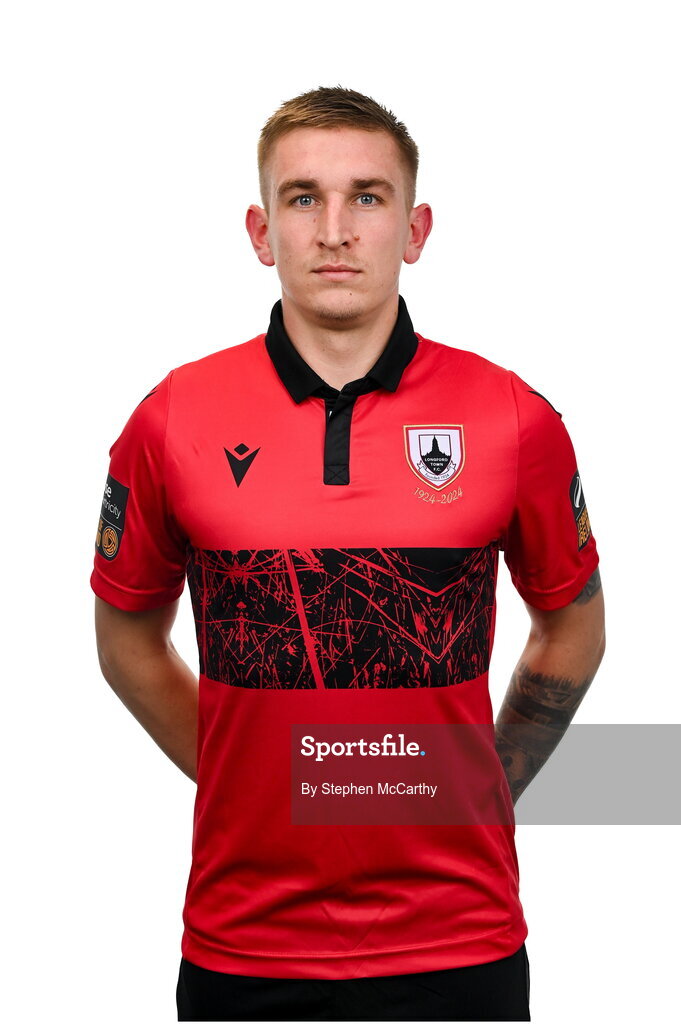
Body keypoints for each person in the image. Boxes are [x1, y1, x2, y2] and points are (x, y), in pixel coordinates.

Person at [91, 85, 605, 1022]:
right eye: (303, 198)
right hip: (244, 946)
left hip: (461, 940)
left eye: (367, 196)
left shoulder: (512, 418)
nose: (334, 230)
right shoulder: (171, 419)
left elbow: (572, 627)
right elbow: (127, 640)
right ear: (261, 232)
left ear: (414, 230)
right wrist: (254, 779)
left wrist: (481, 786)